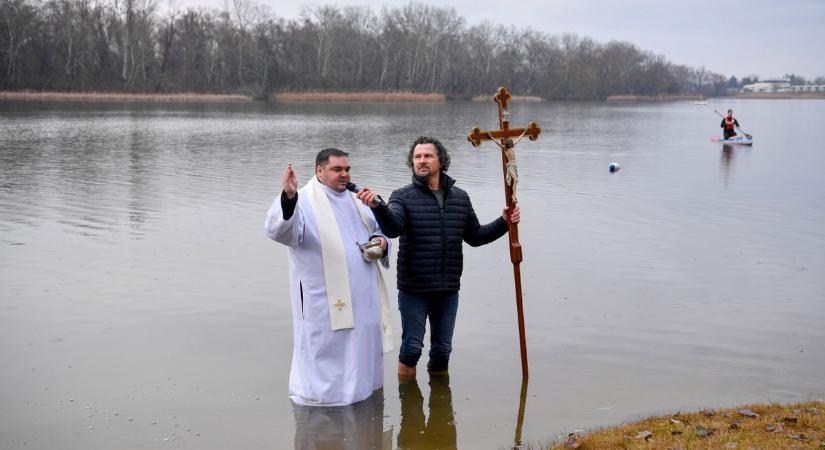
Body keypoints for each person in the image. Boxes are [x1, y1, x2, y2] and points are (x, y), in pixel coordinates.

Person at [357, 136, 520, 379]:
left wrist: (504, 223)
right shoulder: (402, 196)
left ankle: (439, 405)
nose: (421, 161)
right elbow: (393, 229)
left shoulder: (460, 198)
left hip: (448, 288)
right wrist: (378, 206)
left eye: (427, 156)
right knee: (411, 349)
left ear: (440, 161)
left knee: (443, 351)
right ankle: (410, 409)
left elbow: (475, 236)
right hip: (415, 289)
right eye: (417, 157)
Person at [265, 148, 393, 406]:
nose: (344, 175)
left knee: (361, 360)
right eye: (337, 170)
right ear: (320, 171)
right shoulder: (303, 201)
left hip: (364, 301)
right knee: (327, 362)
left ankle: (362, 401)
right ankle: (323, 413)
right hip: (323, 304)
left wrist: (381, 242)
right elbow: (281, 232)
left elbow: (380, 230)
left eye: (347, 169)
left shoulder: (358, 200)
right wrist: (288, 197)